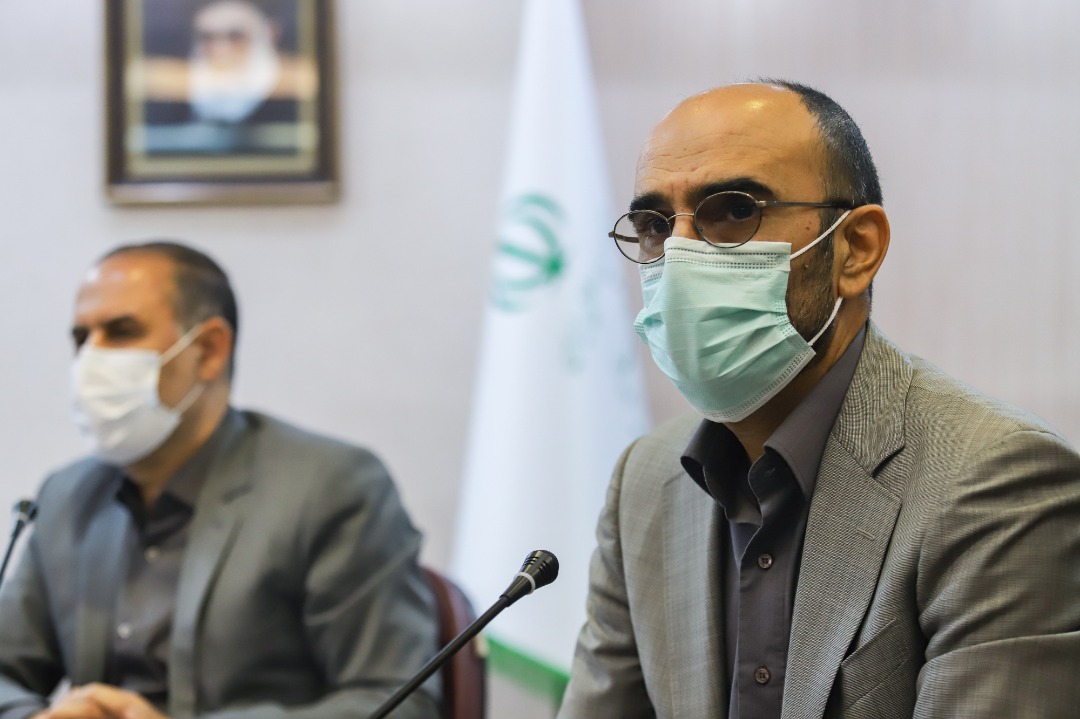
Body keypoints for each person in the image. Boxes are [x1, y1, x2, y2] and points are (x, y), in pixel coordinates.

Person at [557, 81, 1080, 718]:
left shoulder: (997, 483)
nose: (682, 256)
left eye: (733, 211)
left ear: (855, 249)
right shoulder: (644, 481)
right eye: (654, 226)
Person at [0, 241, 441, 719]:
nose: (91, 359)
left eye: (121, 332)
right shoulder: (66, 496)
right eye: (81, 338)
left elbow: (398, 700)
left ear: (209, 350)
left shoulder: (332, 487)